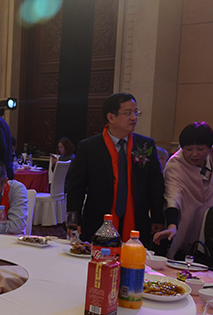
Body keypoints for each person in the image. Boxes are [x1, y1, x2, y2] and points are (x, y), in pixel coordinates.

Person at [65, 92, 165, 247]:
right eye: (128, 113)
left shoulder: (145, 145)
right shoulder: (89, 147)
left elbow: (155, 184)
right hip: (98, 217)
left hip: (137, 218)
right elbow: (76, 186)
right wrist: (73, 219)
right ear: (111, 117)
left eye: (136, 112)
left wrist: (158, 217)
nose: (134, 118)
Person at [153, 122, 213, 258]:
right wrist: (172, 225)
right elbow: (173, 195)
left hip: (206, 223)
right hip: (183, 221)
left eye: (200, 149)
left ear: (209, 148)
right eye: (188, 149)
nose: (194, 154)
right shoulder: (175, 165)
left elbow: (212, 184)